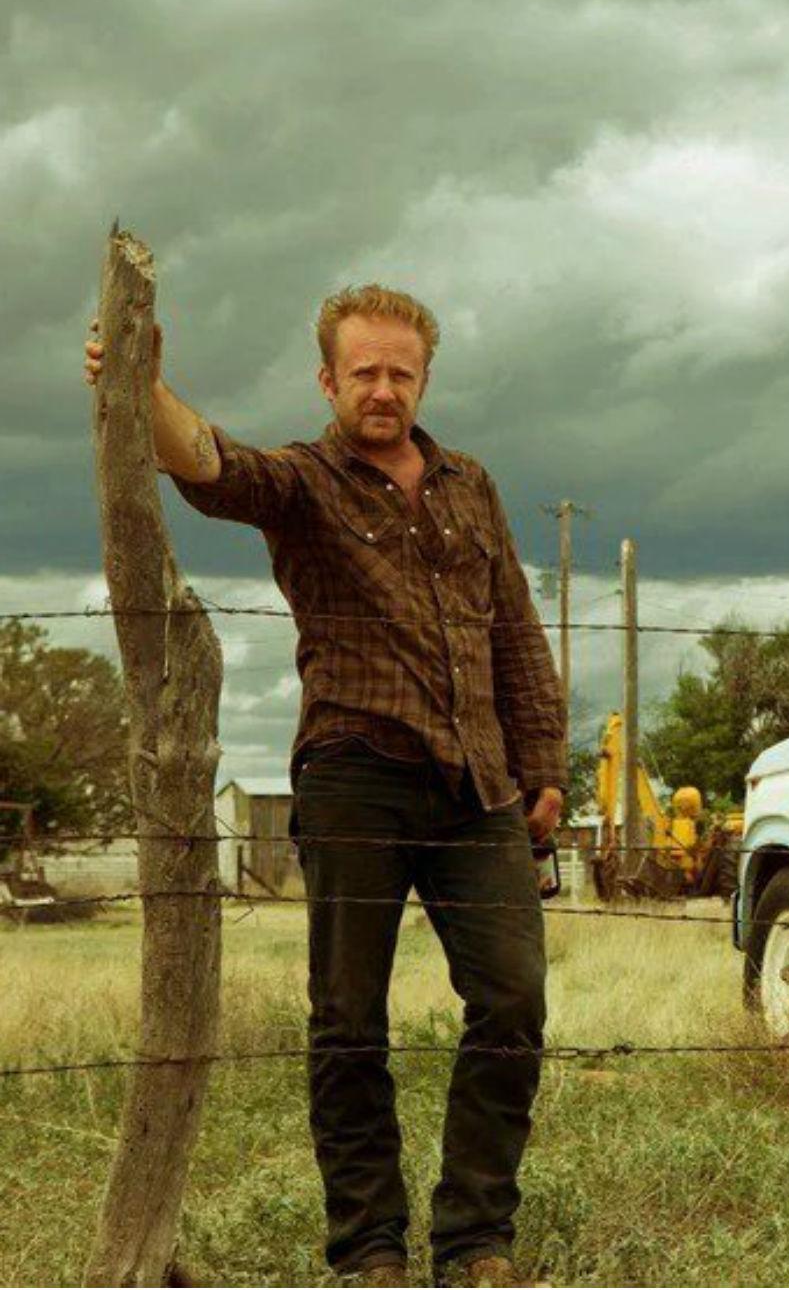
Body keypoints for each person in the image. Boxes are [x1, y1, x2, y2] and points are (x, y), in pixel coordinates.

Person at [86, 286, 564, 1286]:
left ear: (421, 379)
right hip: (356, 776)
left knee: (513, 1001)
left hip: (480, 788)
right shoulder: (306, 482)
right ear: (329, 380)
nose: (383, 390)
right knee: (350, 1017)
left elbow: (513, 627)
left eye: (400, 373)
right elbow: (214, 467)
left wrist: (544, 771)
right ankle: (370, 1248)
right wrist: (143, 387)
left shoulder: (470, 484)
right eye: (365, 373)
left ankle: (476, 1240)